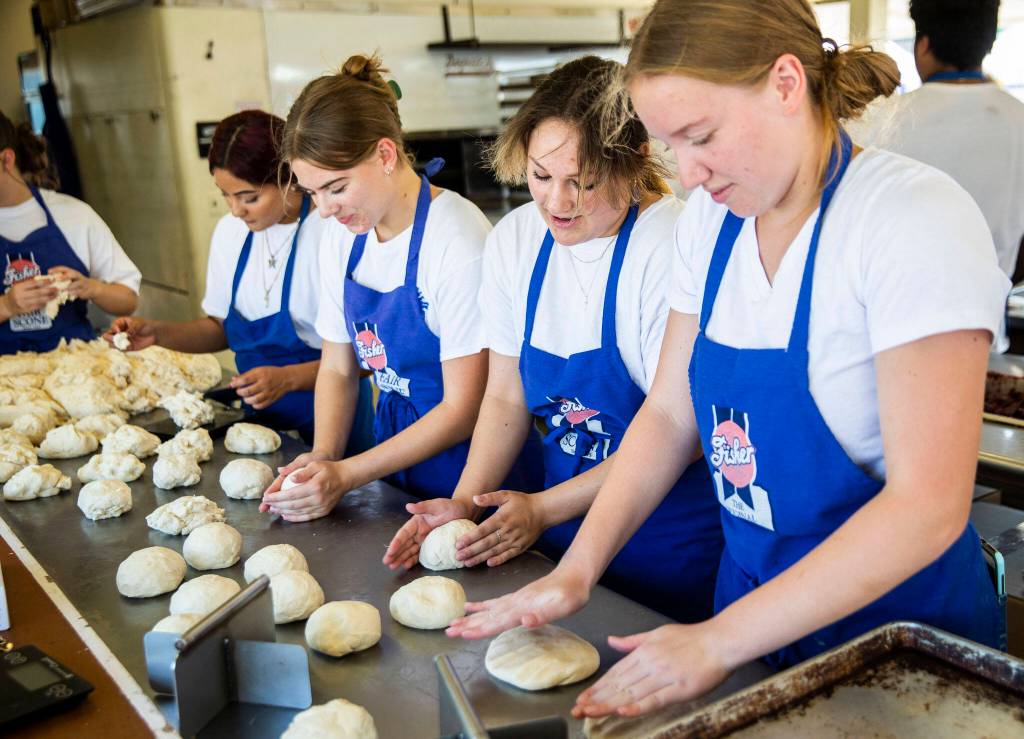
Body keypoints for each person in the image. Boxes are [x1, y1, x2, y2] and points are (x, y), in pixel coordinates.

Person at [446, 0, 1007, 719]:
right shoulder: (713, 222)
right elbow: (672, 411)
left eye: (700, 135)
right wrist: (577, 570)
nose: (687, 171)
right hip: (748, 613)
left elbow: (926, 507)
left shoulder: (907, 219)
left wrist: (716, 642)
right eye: (669, 145)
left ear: (784, 83)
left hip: (895, 646)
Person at [383, 57, 723, 623]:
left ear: (636, 163)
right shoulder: (519, 241)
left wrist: (541, 509)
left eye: (584, 183)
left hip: (665, 543)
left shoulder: (670, 244)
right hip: (560, 537)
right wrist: (465, 503)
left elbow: (678, 432)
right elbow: (505, 396)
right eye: (542, 177)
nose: (558, 204)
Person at [262, 54, 529, 522]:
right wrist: (325, 454)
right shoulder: (340, 236)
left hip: (471, 465)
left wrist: (349, 474)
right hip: (393, 452)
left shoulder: (456, 239)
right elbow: (340, 369)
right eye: (312, 194)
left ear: (385, 155)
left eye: (336, 187)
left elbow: (463, 407)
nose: (324, 210)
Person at [105, 110, 371, 447]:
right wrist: (157, 333)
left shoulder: (333, 232)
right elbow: (220, 329)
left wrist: (288, 379)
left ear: (290, 178)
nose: (235, 210)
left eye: (249, 198)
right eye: (225, 195)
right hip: (255, 424)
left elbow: (368, 355)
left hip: (335, 421)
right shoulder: (231, 232)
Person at [850, 0, 1024, 349]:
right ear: (987, 44)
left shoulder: (882, 119)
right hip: (983, 334)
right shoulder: (1019, 121)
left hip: (879, 332)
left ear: (923, 45)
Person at [0, 110, 139, 352]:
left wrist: (91, 287)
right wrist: (6, 306)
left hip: (74, 368)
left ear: (7, 160)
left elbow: (128, 299)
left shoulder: (74, 216)